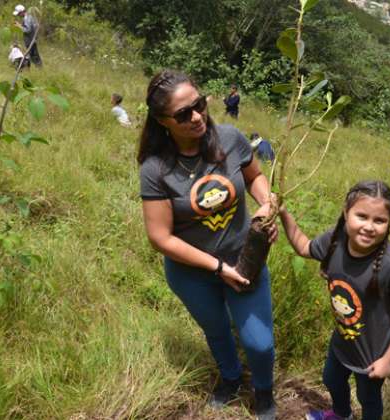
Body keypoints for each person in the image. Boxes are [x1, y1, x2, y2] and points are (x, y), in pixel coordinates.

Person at [138, 70, 278, 420]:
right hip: (192, 274)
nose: (197, 117)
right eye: (184, 114)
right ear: (162, 121)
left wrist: (266, 206)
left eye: (199, 105)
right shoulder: (155, 169)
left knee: (260, 343)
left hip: (244, 261)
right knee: (216, 331)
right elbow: (160, 237)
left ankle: (263, 390)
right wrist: (216, 268)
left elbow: (255, 176)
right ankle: (230, 378)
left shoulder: (230, 138)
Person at [278, 181, 390, 420]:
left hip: (373, 355)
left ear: (389, 223)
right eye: (361, 216)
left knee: (368, 399)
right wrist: (282, 212)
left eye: (379, 220)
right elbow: (303, 246)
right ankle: (342, 415)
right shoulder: (335, 242)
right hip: (342, 340)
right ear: (346, 212)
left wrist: (388, 360)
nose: (369, 227)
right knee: (330, 379)